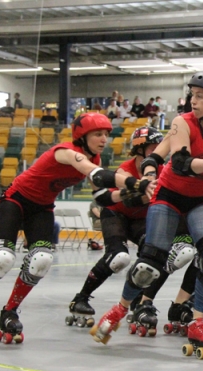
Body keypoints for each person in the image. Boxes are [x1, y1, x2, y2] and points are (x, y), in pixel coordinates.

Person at [91, 71, 203, 359]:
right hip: (169, 195)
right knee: (151, 264)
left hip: (201, 198)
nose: (192, 101)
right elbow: (180, 162)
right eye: (192, 95)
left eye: (200, 96)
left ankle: (197, 322)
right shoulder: (183, 122)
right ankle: (119, 308)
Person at [0, 112, 143, 348]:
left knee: (41, 260)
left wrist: (127, 194)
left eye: (107, 134)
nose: (105, 139)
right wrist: (134, 182)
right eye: (98, 134)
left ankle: (10, 312)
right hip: (16, 201)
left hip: (42, 208)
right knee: (2, 257)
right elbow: (96, 174)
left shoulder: (96, 158)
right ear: (82, 136)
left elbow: (102, 197)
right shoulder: (66, 152)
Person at [69, 127, 185, 328]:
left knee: (154, 258)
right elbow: (130, 201)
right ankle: (81, 297)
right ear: (140, 149)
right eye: (153, 146)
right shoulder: (125, 169)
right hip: (116, 213)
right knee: (118, 257)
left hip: (140, 219)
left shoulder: (163, 169)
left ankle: (141, 303)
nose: (158, 150)